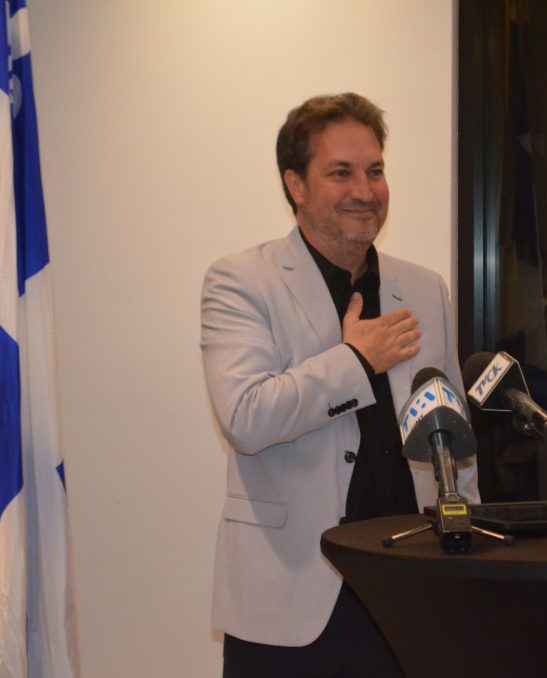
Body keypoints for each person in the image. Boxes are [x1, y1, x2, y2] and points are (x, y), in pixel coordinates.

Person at [201, 92, 478, 677]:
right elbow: (245, 419)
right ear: (295, 185)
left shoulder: (424, 288)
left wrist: (466, 554)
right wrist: (355, 360)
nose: (365, 190)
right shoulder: (242, 281)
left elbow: (453, 433)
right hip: (290, 601)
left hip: (410, 592)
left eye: (375, 171)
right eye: (341, 173)